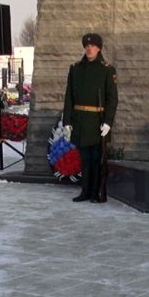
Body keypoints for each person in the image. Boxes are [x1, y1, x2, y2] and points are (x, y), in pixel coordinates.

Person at [62, 33, 117, 202]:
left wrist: (108, 122)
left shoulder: (107, 69)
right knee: (85, 159)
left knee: (96, 159)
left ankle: (96, 192)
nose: (89, 49)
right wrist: (67, 121)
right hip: (80, 121)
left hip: (97, 121)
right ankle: (85, 191)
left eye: (93, 46)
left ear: (99, 48)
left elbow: (112, 98)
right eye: (87, 46)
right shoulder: (76, 68)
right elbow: (69, 97)